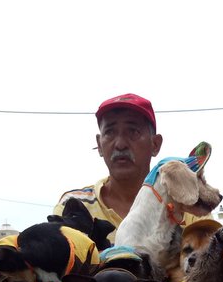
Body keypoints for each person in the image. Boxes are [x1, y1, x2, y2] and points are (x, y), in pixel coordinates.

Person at [55, 93, 164, 226]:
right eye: (110, 132)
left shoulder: (182, 206)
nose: (120, 144)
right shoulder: (73, 206)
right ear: (99, 145)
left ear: (155, 144)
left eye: (133, 131)